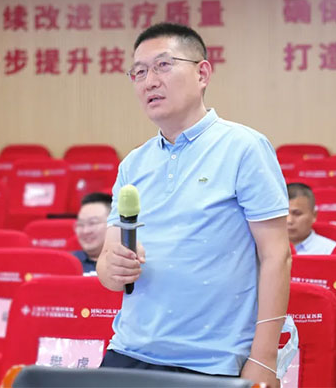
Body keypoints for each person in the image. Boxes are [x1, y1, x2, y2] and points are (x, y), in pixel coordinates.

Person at [96, 23, 291, 387]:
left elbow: (276, 255)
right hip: (130, 351)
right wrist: (114, 268)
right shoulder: (133, 164)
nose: (149, 82)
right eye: (139, 72)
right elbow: (107, 269)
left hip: (211, 361)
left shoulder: (244, 148)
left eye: (163, 65)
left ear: (202, 73)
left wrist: (264, 359)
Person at [286, 183, 336, 255]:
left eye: (297, 213)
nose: (289, 220)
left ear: (314, 215)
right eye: (283, 214)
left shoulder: (330, 250)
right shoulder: (268, 248)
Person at [72, 192, 112, 277]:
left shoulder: (129, 265)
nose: (85, 231)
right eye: (80, 224)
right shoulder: (67, 263)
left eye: (93, 223)